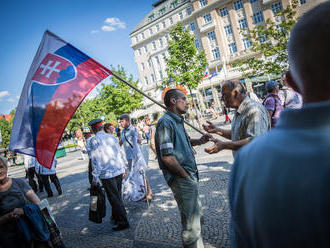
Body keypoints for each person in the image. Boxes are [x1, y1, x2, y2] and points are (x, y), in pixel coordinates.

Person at [229, 2, 330, 247]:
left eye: (225, 95)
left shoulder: (250, 160)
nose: (223, 100)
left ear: (290, 82)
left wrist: (224, 143)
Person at [155, 89, 212, 248]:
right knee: (191, 224)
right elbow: (167, 157)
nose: (187, 102)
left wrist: (200, 141)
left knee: (195, 218)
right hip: (182, 179)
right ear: (173, 101)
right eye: (184, 99)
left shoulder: (177, 120)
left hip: (189, 176)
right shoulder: (166, 122)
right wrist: (185, 176)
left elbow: (183, 142)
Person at [204, 80, 270, 155]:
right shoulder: (239, 110)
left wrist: (224, 145)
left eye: (224, 95)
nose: (222, 99)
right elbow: (236, 135)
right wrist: (217, 130)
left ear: (235, 93)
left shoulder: (254, 110)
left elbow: (255, 141)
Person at [87, 118, 129, 231]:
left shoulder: (94, 140)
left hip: (107, 174)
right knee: (117, 196)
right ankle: (117, 216)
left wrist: (95, 177)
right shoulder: (111, 137)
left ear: (92, 129)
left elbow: (96, 161)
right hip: (118, 170)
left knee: (114, 198)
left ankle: (123, 222)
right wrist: (124, 167)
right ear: (101, 127)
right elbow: (120, 153)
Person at [0, 155, 41, 247]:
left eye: (1, 167)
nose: (0, 171)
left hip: (29, 231)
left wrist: (24, 211)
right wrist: (7, 217)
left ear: (6, 167)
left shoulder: (19, 182)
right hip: (7, 239)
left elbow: (39, 205)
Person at [119, 114, 153, 201]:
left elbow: (139, 140)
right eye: (120, 121)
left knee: (142, 174)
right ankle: (140, 192)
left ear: (127, 121)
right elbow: (120, 143)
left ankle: (149, 193)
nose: (121, 123)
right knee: (134, 175)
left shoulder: (133, 129)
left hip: (136, 156)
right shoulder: (122, 132)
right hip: (129, 158)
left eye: (122, 121)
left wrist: (138, 138)